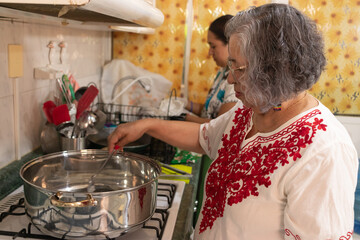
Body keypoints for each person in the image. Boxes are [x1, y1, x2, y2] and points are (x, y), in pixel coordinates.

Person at [108, 3, 358, 239]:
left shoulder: (324, 151)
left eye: (238, 69)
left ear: (273, 72)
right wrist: (147, 125)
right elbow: (202, 136)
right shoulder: (250, 111)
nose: (229, 79)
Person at [184, 15, 238, 123]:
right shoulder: (223, 71)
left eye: (213, 46)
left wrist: (183, 117)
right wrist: (184, 104)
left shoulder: (238, 79)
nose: (209, 52)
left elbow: (219, 125)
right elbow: (207, 111)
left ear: (231, 43)